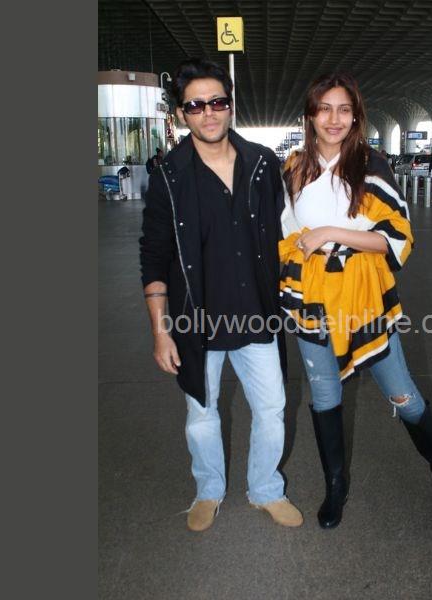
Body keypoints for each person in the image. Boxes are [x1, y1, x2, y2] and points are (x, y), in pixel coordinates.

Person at [279, 72, 432, 529]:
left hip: (365, 300)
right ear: (310, 115)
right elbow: (282, 233)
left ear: (356, 116)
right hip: (314, 302)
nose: (334, 119)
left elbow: (397, 238)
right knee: (325, 395)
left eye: (344, 109)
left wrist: (331, 233)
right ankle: (335, 487)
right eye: (325, 108)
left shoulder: (371, 165)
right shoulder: (294, 167)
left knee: (404, 396)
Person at [139, 58, 303, 532]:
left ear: (231, 106)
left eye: (217, 102)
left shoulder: (262, 163)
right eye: (195, 105)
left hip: (257, 315)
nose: (208, 112)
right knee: (201, 413)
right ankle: (209, 490)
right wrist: (161, 332)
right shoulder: (168, 175)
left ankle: (266, 489)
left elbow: (288, 230)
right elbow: (154, 255)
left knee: (271, 410)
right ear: (181, 114)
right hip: (196, 320)